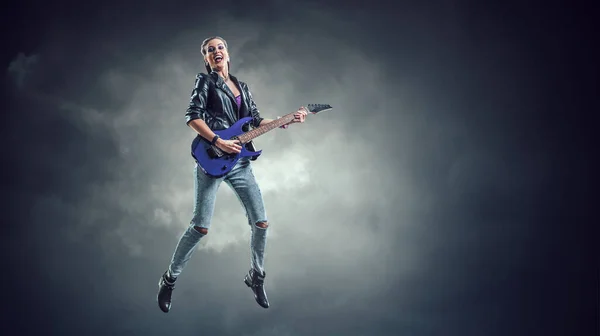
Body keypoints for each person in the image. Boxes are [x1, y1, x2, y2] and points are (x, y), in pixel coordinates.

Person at [157, 36, 307, 312]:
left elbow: (254, 118)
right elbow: (192, 116)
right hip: (211, 161)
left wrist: (284, 121)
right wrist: (216, 140)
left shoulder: (242, 86)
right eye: (209, 49)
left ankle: (256, 276)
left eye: (220, 47)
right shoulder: (204, 82)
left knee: (261, 223)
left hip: (239, 161)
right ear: (206, 59)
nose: (216, 51)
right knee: (200, 227)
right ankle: (169, 280)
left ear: (228, 53)